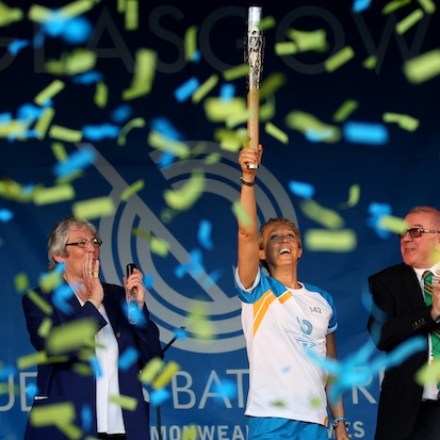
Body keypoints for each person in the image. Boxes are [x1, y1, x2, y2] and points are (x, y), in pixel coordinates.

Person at [234, 145, 349, 440]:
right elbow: (246, 233)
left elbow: (331, 368)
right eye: (274, 237)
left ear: (299, 249)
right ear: (261, 252)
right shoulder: (257, 289)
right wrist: (248, 179)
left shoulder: (323, 301)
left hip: (316, 422)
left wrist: (340, 423)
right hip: (270, 420)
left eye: (290, 236)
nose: (283, 240)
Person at [22, 216, 163, 440]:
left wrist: (138, 311)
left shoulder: (118, 296)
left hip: (124, 429)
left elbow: (152, 360)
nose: (92, 249)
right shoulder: (40, 299)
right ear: (59, 255)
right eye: (82, 243)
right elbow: (57, 349)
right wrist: (93, 301)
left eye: (95, 242)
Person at [367, 206, 440, 440]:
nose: (406, 238)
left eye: (415, 232)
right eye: (402, 233)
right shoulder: (386, 282)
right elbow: (381, 335)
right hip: (410, 410)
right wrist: (432, 313)